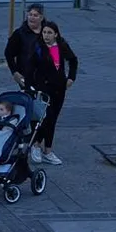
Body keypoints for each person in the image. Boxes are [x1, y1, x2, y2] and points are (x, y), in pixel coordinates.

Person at [27, 20, 77, 165]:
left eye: (49, 33)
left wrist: (71, 78)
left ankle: (48, 150)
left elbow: (73, 60)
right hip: (44, 88)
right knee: (44, 118)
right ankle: (36, 144)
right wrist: (29, 88)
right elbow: (30, 69)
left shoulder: (61, 46)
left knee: (53, 118)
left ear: (56, 34)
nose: (46, 35)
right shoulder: (38, 48)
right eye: (44, 32)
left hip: (59, 88)